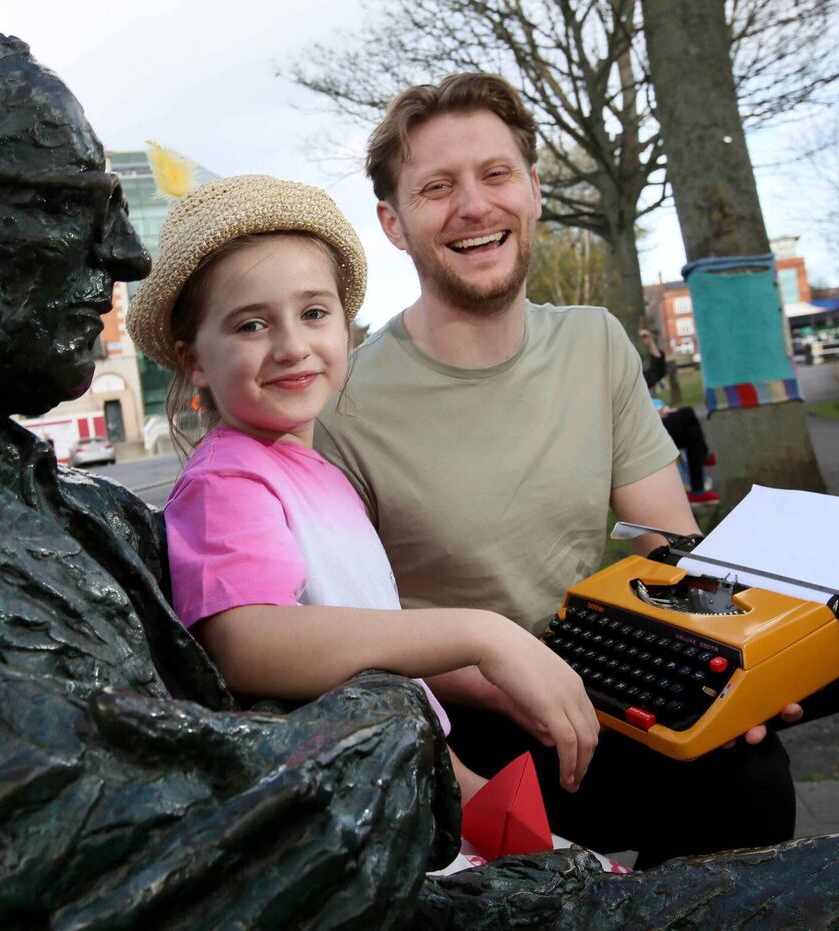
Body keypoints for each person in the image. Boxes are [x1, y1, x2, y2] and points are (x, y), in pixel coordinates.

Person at [0, 25, 467, 926]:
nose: (123, 253)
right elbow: (180, 857)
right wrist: (405, 722)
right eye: (72, 205)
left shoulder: (89, 509)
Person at [313, 72, 809, 868]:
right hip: (465, 707)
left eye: (496, 174)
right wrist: (507, 672)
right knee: (747, 784)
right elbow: (340, 624)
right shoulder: (339, 402)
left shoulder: (595, 340)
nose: (474, 206)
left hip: (603, 662)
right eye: (437, 188)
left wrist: (737, 656)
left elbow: (667, 548)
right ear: (394, 223)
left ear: (536, 190)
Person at [124, 174, 599, 807]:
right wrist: (486, 634)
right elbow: (247, 642)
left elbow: (360, 645)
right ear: (194, 362)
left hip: (410, 781)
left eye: (314, 313)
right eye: (251, 325)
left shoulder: (317, 474)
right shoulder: (226, 481)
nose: (293, 346)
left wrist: (487, 690)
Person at [639, 327, 718, 504]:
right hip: (641, 437)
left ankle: (697, 492)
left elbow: (657, 372)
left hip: (653, 428)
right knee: (688, 413)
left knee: (692, 435)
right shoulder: (607, 386)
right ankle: (705, 455)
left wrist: (650, 343)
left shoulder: (630, 378)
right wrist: (655, 414)